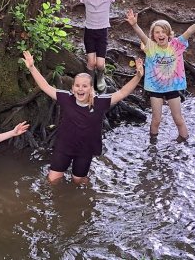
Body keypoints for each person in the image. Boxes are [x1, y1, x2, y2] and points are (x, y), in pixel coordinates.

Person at [22, 50, 144, 185]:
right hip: (64, 147)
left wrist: (137, 76)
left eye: (84, 86)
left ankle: (87, 192)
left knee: (78, 180)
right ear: (73, 88)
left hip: (85, 150)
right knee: (53, 180)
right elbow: (45, 86)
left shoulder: (100, 102)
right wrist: (32, 67)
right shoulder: (66, 98)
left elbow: (122, 92)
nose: (80, 89)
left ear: (91, 89)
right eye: (77, 85)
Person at [125, 5, 195, 142]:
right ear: (153, 36)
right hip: (155, 88)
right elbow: (142, 36)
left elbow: (189, 31)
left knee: (178, 119)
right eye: (157, 32)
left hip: (172, 88)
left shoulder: (177, 45)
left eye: (163, 32)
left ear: (169, 34)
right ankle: (153, 143)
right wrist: (134, 25)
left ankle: (184, 140)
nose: (160, 35)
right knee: (156, 120)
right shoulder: (151, 47)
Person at [56, 0, 140, 91]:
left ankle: (100, 76)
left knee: (100, 64)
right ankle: (90, 83)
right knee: (91, 62)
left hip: (102, 33)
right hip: (89, 32)